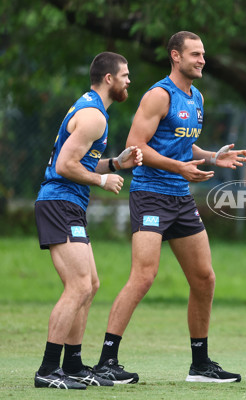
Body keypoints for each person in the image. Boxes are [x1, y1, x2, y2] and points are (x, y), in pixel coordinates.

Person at [93, 31, 246, 384]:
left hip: (180, 198)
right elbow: (135, 147)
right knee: (144, 276)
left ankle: (200, 365)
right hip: (150, 194)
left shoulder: (197, 98)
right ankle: (106, 361)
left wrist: (212, 155)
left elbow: (181, 143)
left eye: (203, 54)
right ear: (175, 56)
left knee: (204, 279)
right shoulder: (159, 95)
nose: (202, 60)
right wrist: (178, 168)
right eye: (195, 54)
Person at [33, 51, 143, 389]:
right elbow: (66, 165)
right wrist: (101, 181)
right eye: (125, 75)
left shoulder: (91, 108)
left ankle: (74, 365)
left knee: (89, 285)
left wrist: (114, 164)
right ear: (109, 78)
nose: (129, 81)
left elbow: (82, 159)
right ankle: (48, 370)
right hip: (59, 202)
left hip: (67, 204)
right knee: (78, 286)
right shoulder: (94, 115)